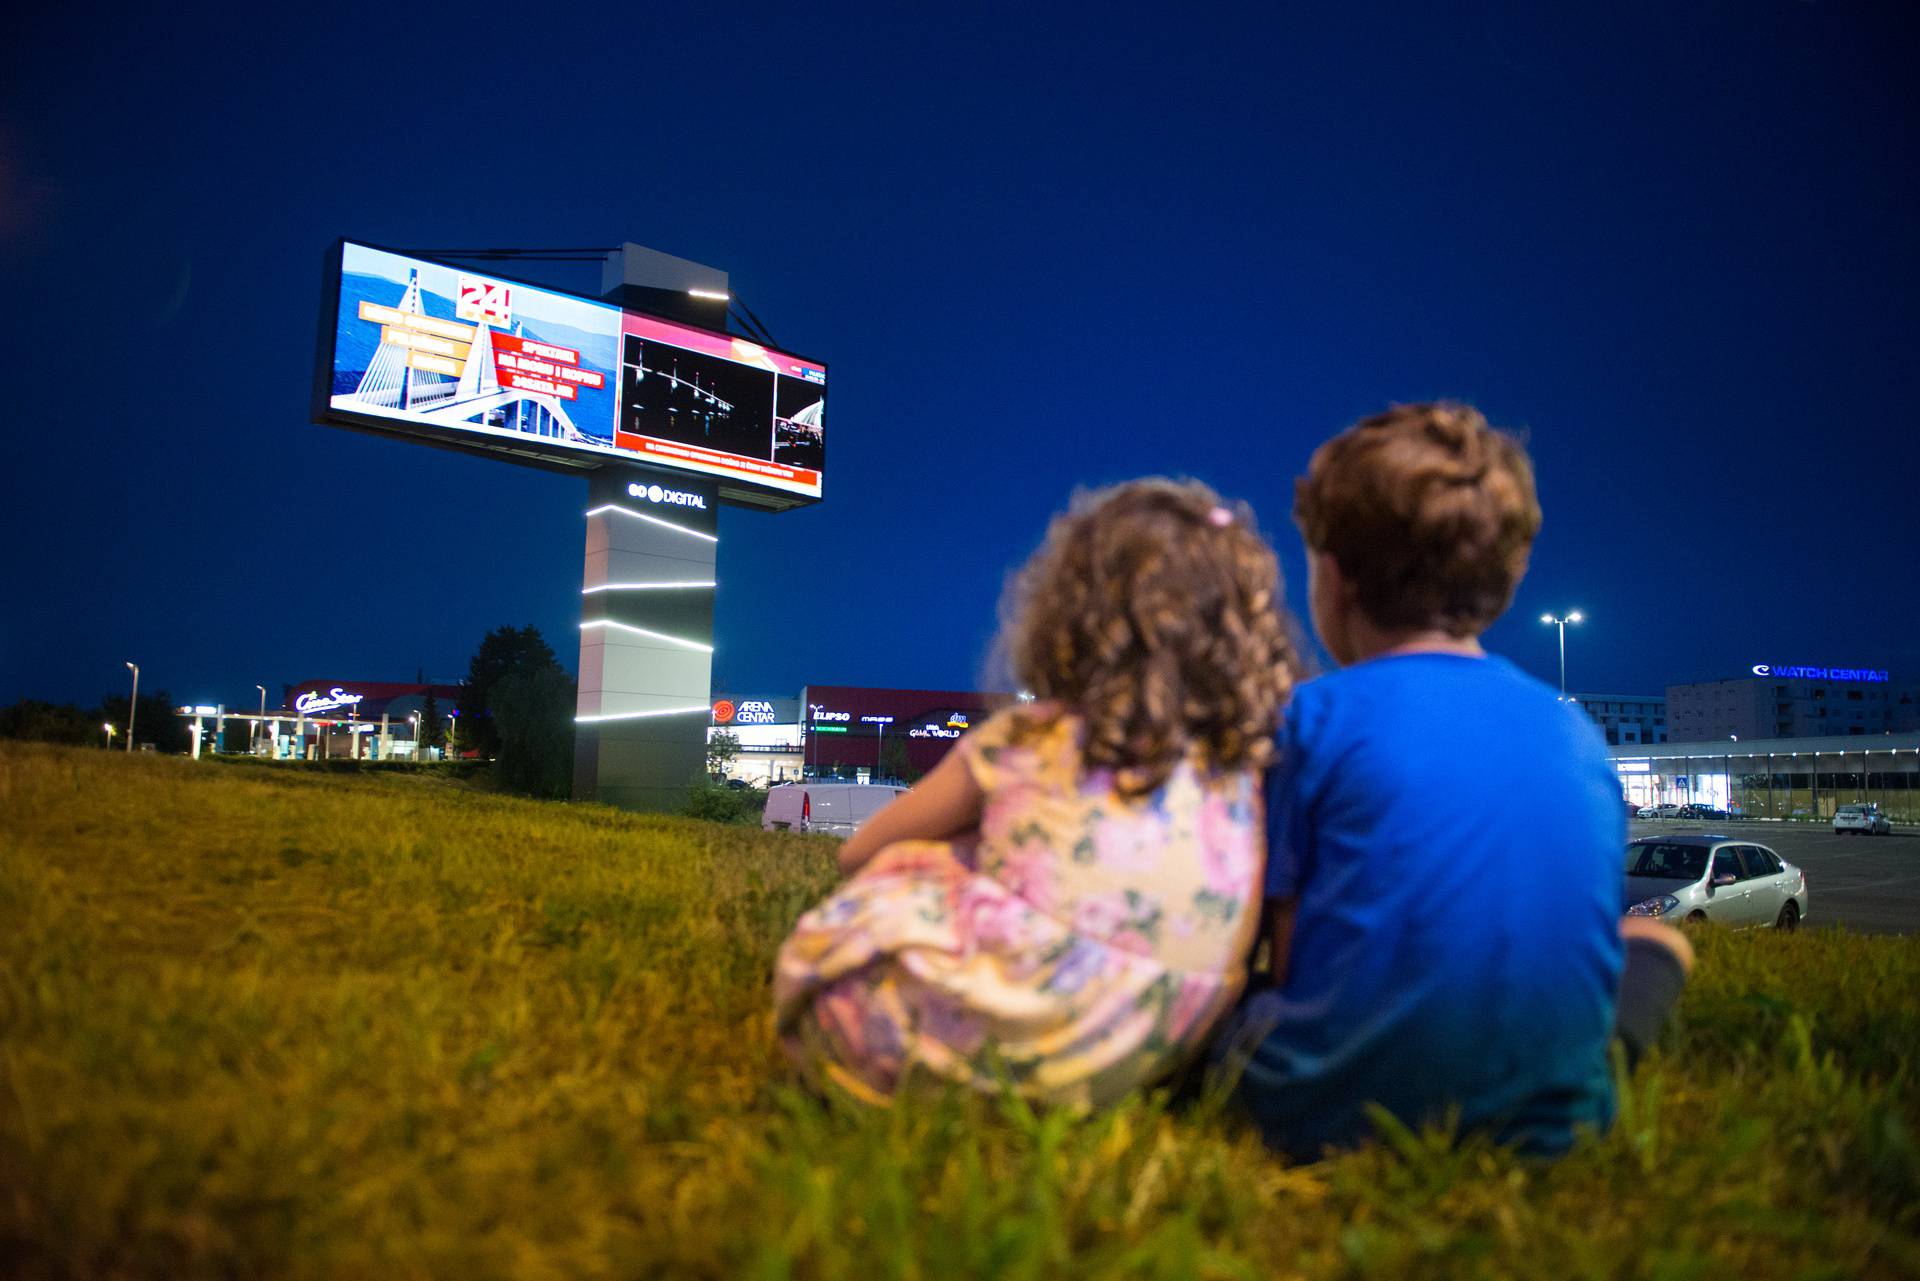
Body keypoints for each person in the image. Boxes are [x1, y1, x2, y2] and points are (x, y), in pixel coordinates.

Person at [1227, 402, 1692, 1160]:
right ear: (1505, 579)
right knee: (1656, 939)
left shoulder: (1311, 718)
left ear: (1333, 578)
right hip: (1557, 1130)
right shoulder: (1572, 730)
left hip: (1320, 1117)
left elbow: (1291, 958)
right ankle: (1573, 1068)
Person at [774, 479, 1297, 1108]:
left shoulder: (1034, 736)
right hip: (1134, 1057)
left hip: (914, 1046)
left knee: (935, 853)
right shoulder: (1240, 774)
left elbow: (859, 856)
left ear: (1073, 613)